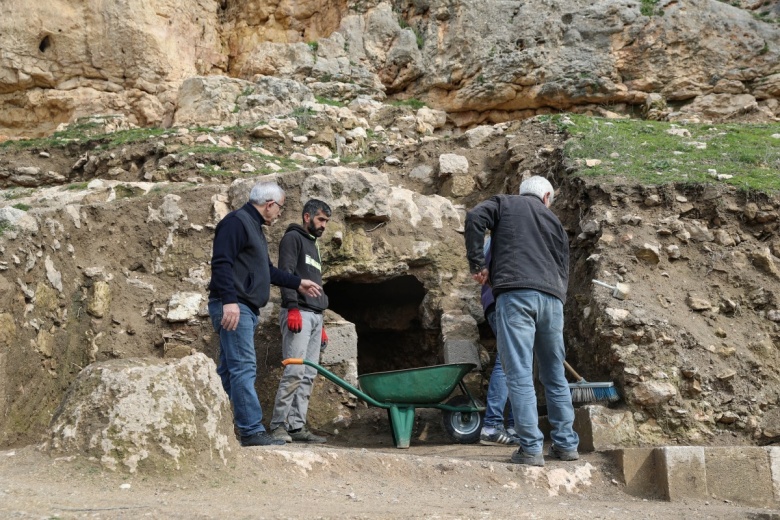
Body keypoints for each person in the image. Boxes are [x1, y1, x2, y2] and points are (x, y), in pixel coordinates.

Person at [464, 175, 579, 467]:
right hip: (553, 300)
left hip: (516, 295)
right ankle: (566, 444)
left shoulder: (504, 203)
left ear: (523, 192)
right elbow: (564, 265)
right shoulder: (555, 223)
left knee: (518, 373)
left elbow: (476, 217)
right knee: (554, 375)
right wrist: (557, 298)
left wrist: (477, 264)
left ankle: (530, 448)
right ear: (546, 198)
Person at [207, 181, 322, 447]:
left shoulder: (254, 228)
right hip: (236, 307)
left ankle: (216, 425)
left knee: (228, 370)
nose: (280, 214)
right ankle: (251, 431)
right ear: (269, 204)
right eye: (280, 208)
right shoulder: (237, 222)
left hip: (243, 307)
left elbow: (267, 271)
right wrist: (230, 301)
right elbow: (221, 262)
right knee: (244, 367)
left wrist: (297, 283)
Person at [270, 199, 332, 443]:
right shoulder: (292, 239)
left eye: (326, 221)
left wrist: (322, 321)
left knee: (308, 374)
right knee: (294, 370)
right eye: (320, 219)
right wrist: (292, 308)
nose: (324, 225)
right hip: (299, 314)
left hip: (315, 316)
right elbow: (285, 274)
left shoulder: (314, 246)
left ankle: (296, 426)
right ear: (307, 217)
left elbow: (315, 283)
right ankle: (277, 426)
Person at [479, 237, 520, 446]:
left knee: (517, 363)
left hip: (495, 302)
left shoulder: (492, 237)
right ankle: (492, 426)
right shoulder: (508, 232)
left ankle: (514, 425)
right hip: (504, 301)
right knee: (506, 361)